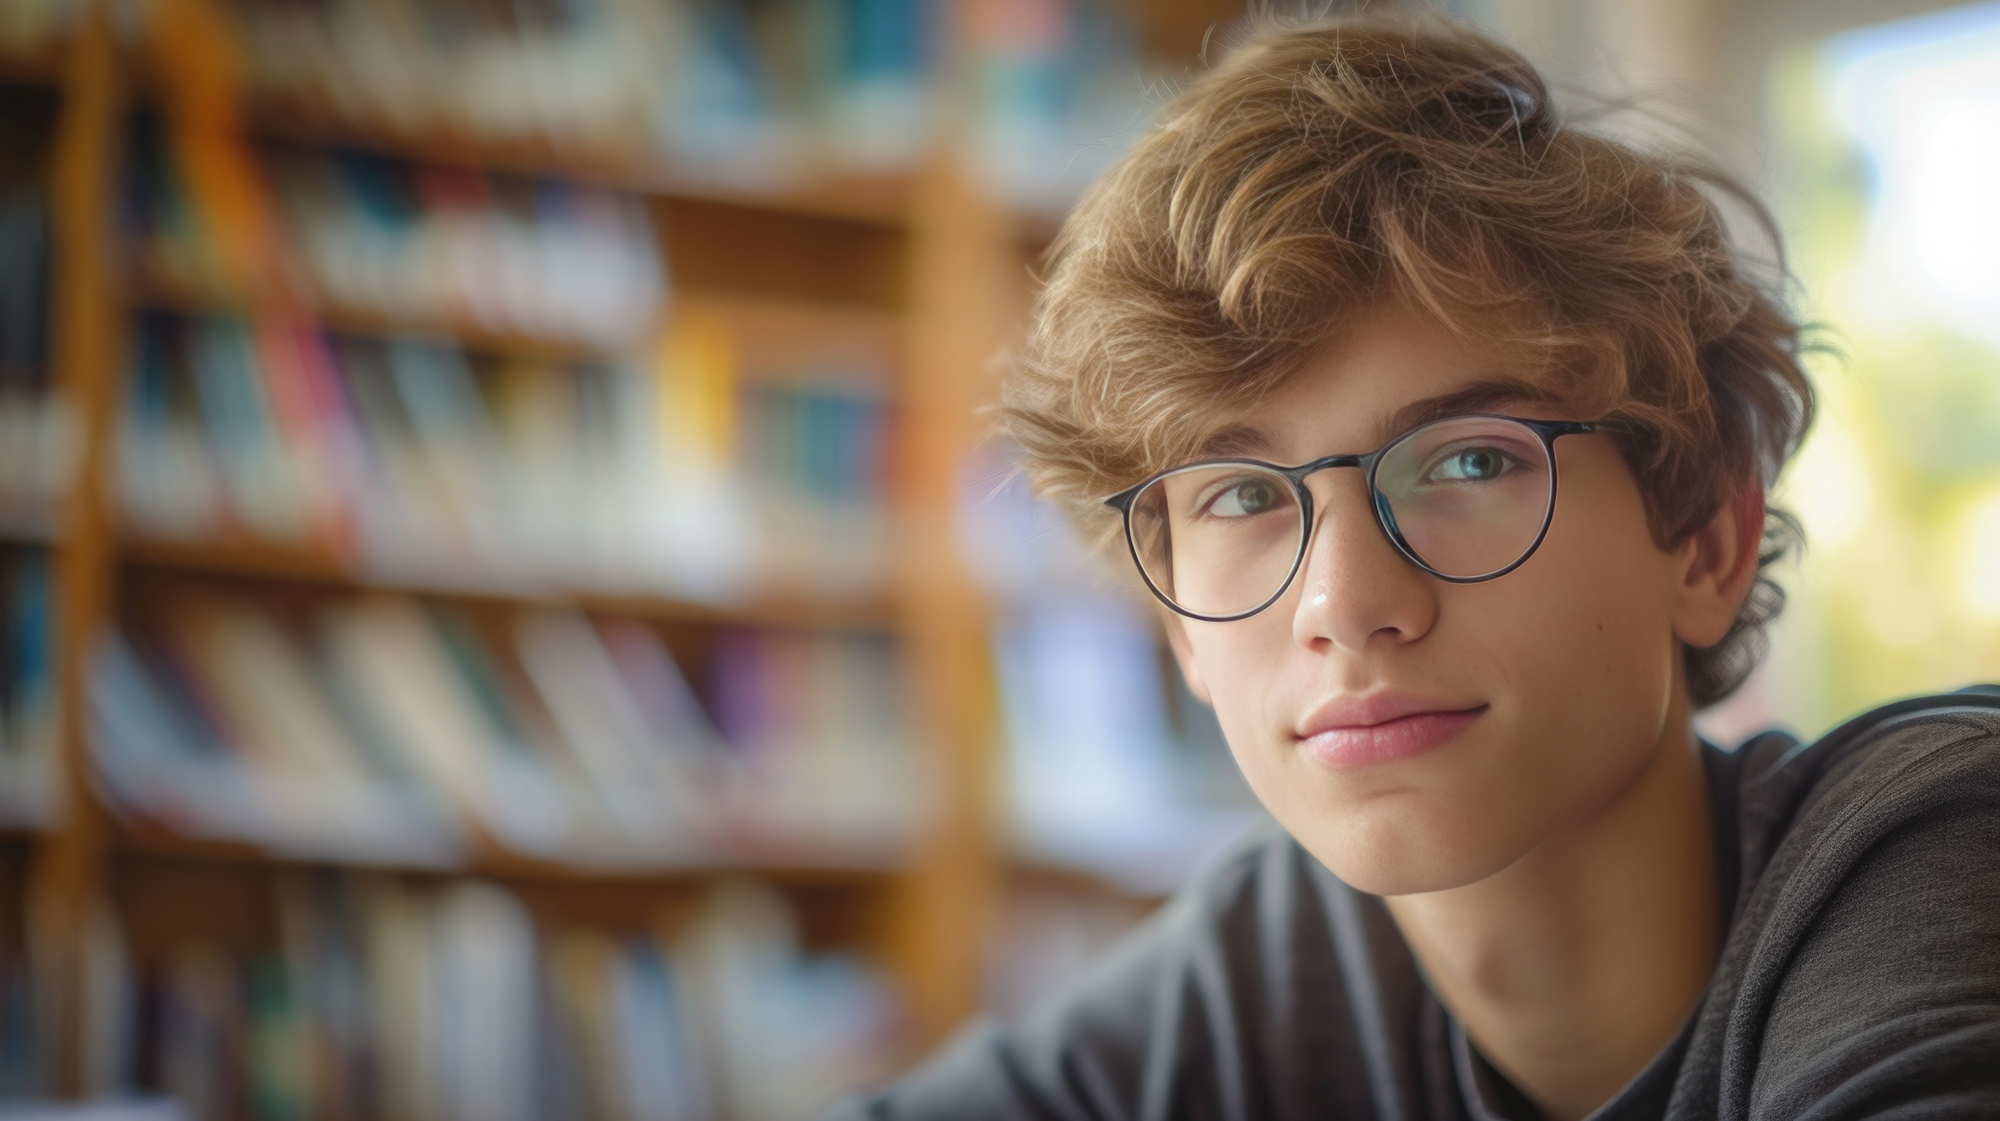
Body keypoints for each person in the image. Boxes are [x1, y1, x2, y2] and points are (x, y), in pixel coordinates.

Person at [825, 13, 2000, 1121]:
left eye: (1469, 462)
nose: (1344, 603)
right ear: (1178, 629)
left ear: (1705, 542)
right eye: (1239, 494)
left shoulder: (1934, 843)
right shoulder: (1275, 959)